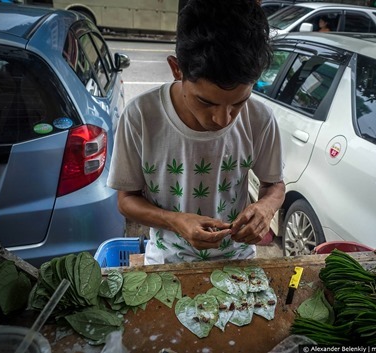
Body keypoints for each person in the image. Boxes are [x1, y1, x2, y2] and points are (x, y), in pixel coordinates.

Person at [107, 0, 285, 265]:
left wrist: (265, 208)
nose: (223, 118)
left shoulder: (260, 118)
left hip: (237, 261)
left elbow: (275, 185)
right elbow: (126, 200)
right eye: (206, 102)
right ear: (176, 69)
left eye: (238, 102)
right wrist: (176, 221)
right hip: (167, 263)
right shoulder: (141, 117)